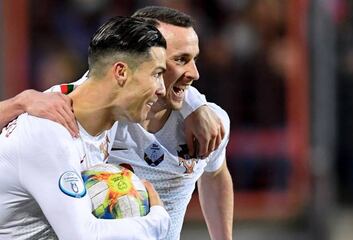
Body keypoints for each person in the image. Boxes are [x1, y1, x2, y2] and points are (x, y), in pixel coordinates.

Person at [49, 6, 233, 240]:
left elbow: (216, 173)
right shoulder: (74, 112)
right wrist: (23, 102)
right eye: (180, 59)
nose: (195, 73)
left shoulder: (209, 124)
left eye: (194, 59)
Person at [0, 16, 170, 239]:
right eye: (157, 74)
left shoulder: (103, 106)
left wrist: (197, 107)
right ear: (121, 72)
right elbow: (83, 236)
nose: (162, 89)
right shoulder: (50, 133)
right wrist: (158, 221)